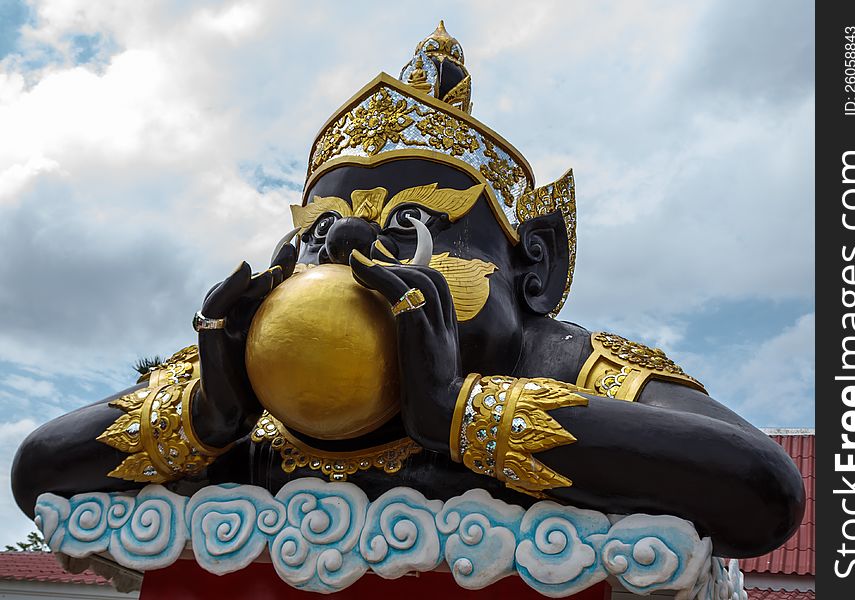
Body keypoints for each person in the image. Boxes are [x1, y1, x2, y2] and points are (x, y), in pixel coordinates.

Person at [11, 22, 803, 559]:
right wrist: (206, 415)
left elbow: (759, 490)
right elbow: (39, 470)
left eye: (409, 224)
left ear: (536, 267)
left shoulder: (566, 360)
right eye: (322, 230)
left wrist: (459, 413)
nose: (347, 251)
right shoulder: (243, 392)